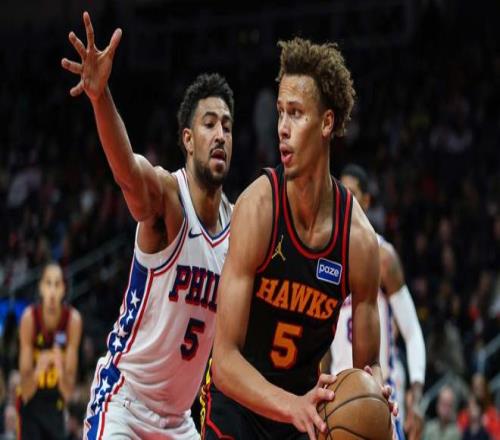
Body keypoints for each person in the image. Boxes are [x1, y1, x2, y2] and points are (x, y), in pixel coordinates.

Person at [203, 37, 395, 440]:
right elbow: (224, 361)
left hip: (304, 412)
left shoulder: (359, 241)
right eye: (280, 113)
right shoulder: (258, 208)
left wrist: (373, 392)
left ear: (326, 123)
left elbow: (368, 366)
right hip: (237, 404)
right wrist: (291, 406)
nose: (282, 129)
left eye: (296, 113)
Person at [62, 11, 234, 440]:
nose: (220, 135)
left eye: (227, 127)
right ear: (188, 139)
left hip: (179, 421)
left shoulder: (240, 228)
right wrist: (101, 98)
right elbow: (128, 174)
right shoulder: (167, 198)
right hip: (126, 402)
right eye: (209, 124)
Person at [326, 163, 426, 440]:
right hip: (336, 400)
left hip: (380, 396)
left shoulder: (384, 258)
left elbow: (412, 333)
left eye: (353, 194)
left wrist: (416, 394)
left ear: (367, 201)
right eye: (341, 195)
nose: (345, 202)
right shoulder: (325, 259)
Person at [17, 262, 83, 440]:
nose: (52, 291)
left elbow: (68, 393)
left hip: (56, 405)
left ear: (63, 289)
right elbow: (25, 391)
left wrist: (60, 368)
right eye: (48, 283)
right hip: (31, 404)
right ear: (40, 287)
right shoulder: (29, 319)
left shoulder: (73, 321)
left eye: (57, 284)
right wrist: (39, 368)